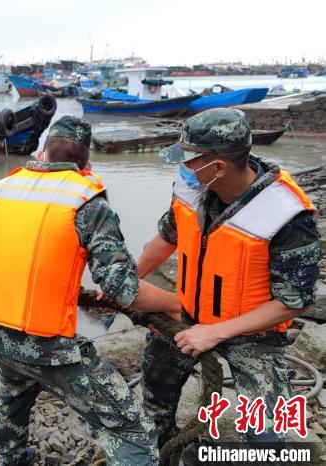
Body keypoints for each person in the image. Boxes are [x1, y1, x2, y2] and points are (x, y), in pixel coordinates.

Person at [0, 116, 183, 466]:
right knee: (132, 428)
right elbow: (122, 288)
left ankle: (12, 460)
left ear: (42, 155)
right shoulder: (85, 199)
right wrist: (173, 303)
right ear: (87, 165)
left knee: (11, 399)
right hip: (49, 348)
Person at [136, 108, 320, 449]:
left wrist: (216, 332)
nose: (181, 169)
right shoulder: (192, 189)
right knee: (155, 386)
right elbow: (167, 236)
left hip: (253, 333)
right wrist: (127, 280)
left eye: (187, 161)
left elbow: (293, 301)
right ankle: (160, 446)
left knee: (266, 434)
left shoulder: (288, 214)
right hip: (188, 315)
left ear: (217, 167)